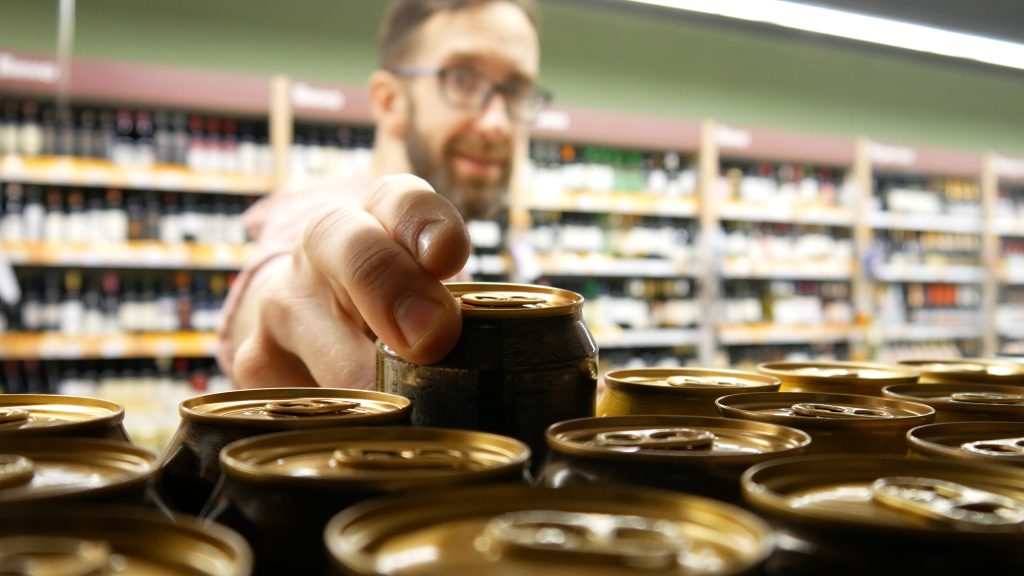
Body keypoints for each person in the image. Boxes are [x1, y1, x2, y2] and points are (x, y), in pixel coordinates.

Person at [217, 0, 548, 389]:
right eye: (462, 79)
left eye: (516, 91)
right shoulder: (321, 206)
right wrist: (286, 317)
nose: (497, 123)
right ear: (389, 101)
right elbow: (286, 278)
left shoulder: (451, 249)